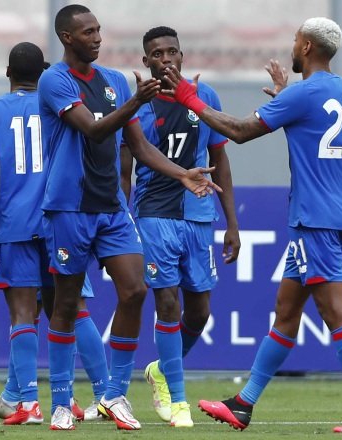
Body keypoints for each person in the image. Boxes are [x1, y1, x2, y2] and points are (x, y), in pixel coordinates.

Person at [165, 17, 342, 434]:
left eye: (295, 40)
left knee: (334, 308)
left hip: (315, 218)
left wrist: (188, 97)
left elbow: (238, 131)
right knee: (286, 311)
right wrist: (286, 98)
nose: (292, 46)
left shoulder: (304, 94)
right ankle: (244, 403)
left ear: (306, 47)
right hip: (337, 211)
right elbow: (312, 122)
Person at [39, 4, 220, 431]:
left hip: (112, 209)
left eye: (99, 30)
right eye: (88, 32)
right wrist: (137, 100)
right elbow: (95, 129)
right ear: (67, 37)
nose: (97, 38)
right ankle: (62, 401)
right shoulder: (56, 80)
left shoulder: (113, 82)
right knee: (65, 303)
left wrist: (182, 173)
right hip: (70, 206)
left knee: (136, 290)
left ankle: (114, 395)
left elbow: (138, 146)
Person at [0, 41, 108, 425]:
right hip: (63, 218)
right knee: (75, 308)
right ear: (44, 74)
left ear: (8, 74)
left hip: (16, 222)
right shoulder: (60, 101)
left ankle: (26, 402)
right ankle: (105, 395)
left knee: (23, 313)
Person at [126, 26, 241, 429]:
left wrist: (231, 222)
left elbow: (220, 160)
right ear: (146, 62)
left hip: (198, 215)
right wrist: (124, 216)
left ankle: (160, 370)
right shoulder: (138, 104)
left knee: (200, 310)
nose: (166, 59)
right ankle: (178, 400)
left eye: (172, 52)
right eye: (157, 54)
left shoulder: (204, 97)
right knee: (167, 304)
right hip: (155, 214)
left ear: (182, 55)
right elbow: (129, 164)